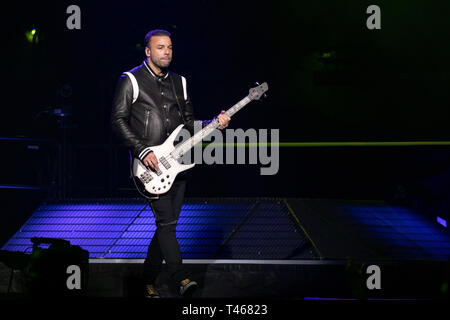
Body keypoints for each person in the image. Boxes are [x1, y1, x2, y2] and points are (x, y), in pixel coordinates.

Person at [111, 29, 230, 298]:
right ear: (148, 51)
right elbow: (117, 120)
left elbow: (189, 123)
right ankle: (181, 277)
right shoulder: (131, 80)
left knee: (168, 226)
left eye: (170, 47)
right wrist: (142, 151)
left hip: (177, 164)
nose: (167, 52)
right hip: (148, 168)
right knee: (166, 222)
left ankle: (146, 281)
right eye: (161, 47)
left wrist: (213, 123)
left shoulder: (180, 82)